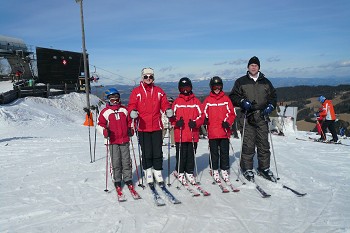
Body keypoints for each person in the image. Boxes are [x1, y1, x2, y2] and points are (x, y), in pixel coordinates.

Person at [229, 56, 277, 182]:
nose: (253, 67)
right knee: (248, 144)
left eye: (256, 65)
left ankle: (264, 168)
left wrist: (271, 105)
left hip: (262, 116)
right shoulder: (241, 82)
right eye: (251, 65)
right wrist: (242, 101)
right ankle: (247, 168)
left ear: (259, 67)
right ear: (248, 67)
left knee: (263, 144)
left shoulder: (266, 82)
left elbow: (273, 96)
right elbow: (233, 96)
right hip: (247, 116)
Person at [128, 67, 173, 187]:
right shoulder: (136, 92)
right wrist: (132, 111)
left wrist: (167, 109)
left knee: (157, 150)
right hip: (142, 127)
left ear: (153, 78)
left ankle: (157, 171)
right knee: (146, 151)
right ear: (142, 77)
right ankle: (148, 171)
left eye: (150, 76)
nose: (148, 78)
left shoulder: (158, 91)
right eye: (146, 76)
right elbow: (132, 104)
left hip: (157, 126)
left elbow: (164, 103)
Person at [97, 88, 136, 195]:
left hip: (124, 140)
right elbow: (100, 124)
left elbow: (130, 121)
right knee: (116, 161)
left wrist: (131, 128)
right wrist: (104, 131)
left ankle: (128, 178)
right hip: (113, 140)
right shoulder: (105, 112)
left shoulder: (124, 110)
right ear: (108, 100)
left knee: (126, 160)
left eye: (116, 98)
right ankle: (117, 180)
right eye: (112, 98)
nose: (114, 100)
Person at [203, 76, 236, 183]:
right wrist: (205, 119)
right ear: (211, 87)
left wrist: (228, 122)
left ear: (221, 87)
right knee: (214, 152)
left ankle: (224, 169)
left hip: (224, 131)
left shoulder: (226, 99)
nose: (217, 88)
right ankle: (215, 169)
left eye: (219, 86)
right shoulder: (208, 100)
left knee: (224, 151)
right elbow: (203, 113)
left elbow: (232, 113)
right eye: (214, 86)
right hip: (212, 131)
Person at [172, 77, 204, 185]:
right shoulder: (177, 102)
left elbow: (202, 115)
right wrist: (176, 122)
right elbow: (171, 116)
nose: (185, 90)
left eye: (187, 87)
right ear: (179, 89)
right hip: (180, 133)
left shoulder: (196, 101)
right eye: (182, 88)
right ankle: (180, 171)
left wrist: (196, 123)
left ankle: (189, 171)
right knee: (181, 153)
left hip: (192, 133)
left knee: (191, 153)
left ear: (191, 88)